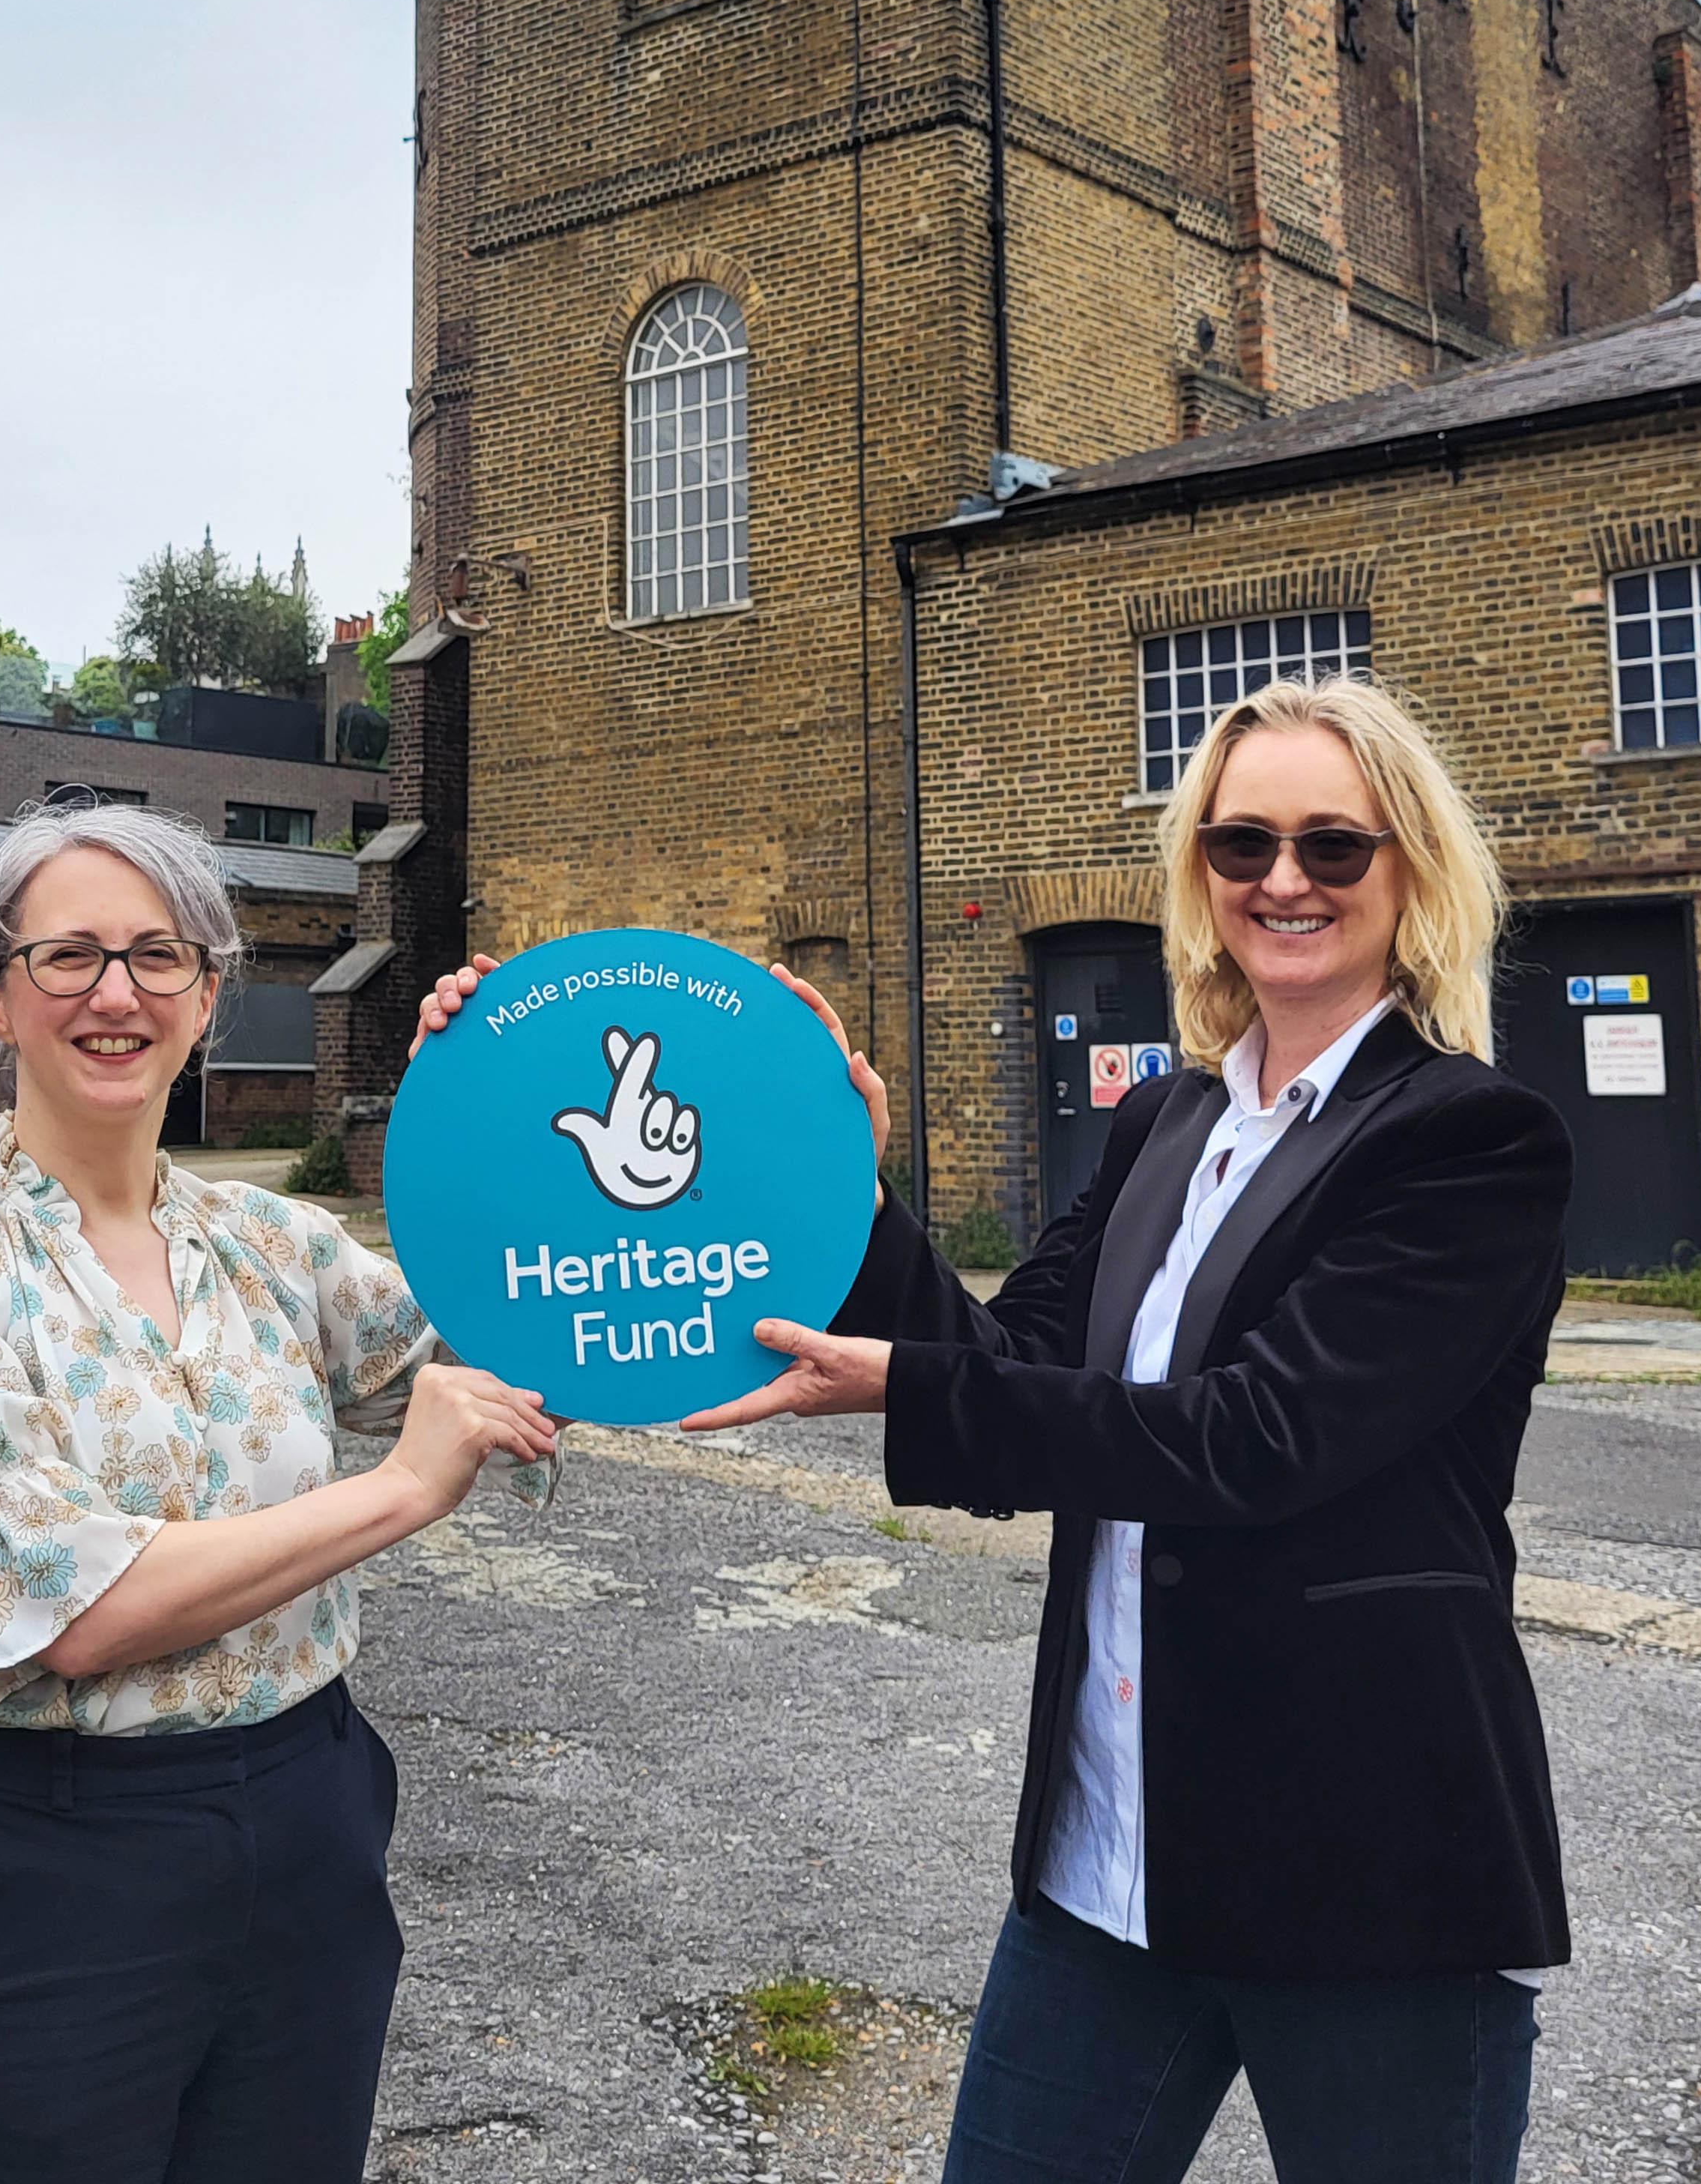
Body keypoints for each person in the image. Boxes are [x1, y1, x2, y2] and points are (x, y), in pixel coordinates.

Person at [420, 675, 1574, 2184]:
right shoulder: (1165, 1126)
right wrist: (836, 1188)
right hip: (1109, 1868)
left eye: (1332, 846)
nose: (1282, 880)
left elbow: (1252, 1440)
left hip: (1370, 1869)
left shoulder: (1466, 1139)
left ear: (1410, 866)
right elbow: (1007, 1376)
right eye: (1241, 845)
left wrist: (902, 1385)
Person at [0, 801, 556, 2184]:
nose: (116, 993)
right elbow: (75, 1611)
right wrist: (398, 1492)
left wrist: (498, 1093)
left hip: (304, 1823)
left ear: (209, 997)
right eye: (68, 957)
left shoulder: (275, 1243)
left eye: (160, 957)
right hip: (34, 1862)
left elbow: (538, 1345)